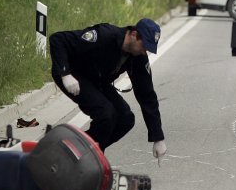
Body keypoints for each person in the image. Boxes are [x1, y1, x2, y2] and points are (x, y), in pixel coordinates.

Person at [49, 18, 167, 165]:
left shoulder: (138, 57)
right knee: (106, 113)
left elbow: (147, 94)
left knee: (125, 119)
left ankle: (75, 151)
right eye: (144, 45)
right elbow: (58, 40)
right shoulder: (104, 36)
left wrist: (158, 137)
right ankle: (92, 160)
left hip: (96, 80)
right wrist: (65, 73)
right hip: (74, 75)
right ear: (134, 34)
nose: (145, 51)